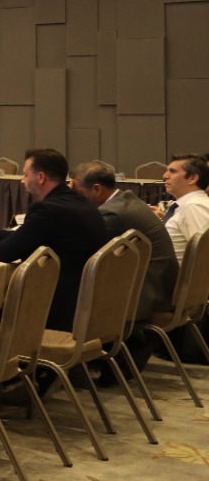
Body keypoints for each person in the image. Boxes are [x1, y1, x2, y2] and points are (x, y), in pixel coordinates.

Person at [0, 149, 108, 331]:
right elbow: (27, 236)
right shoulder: (78, 203)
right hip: (85, 307)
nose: (22, 180)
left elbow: (2, 253)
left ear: (41, 177)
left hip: (54, 313)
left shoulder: (48, 209)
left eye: (26, 175)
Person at [73, 160, 178, 375]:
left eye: (79, 192)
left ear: (97, 189)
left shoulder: (112, 214)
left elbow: (82, 252)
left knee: (67, 288)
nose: (76, 198)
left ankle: (67, 360)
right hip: (160, 283)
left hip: (148, 293)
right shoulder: (126, 199)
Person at [159, 154, 209, 262]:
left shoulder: (194, 207)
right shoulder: (187, 205)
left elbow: (204, 254)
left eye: (173, 171)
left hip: (175, 273)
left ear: (192, 178)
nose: (165, 176)